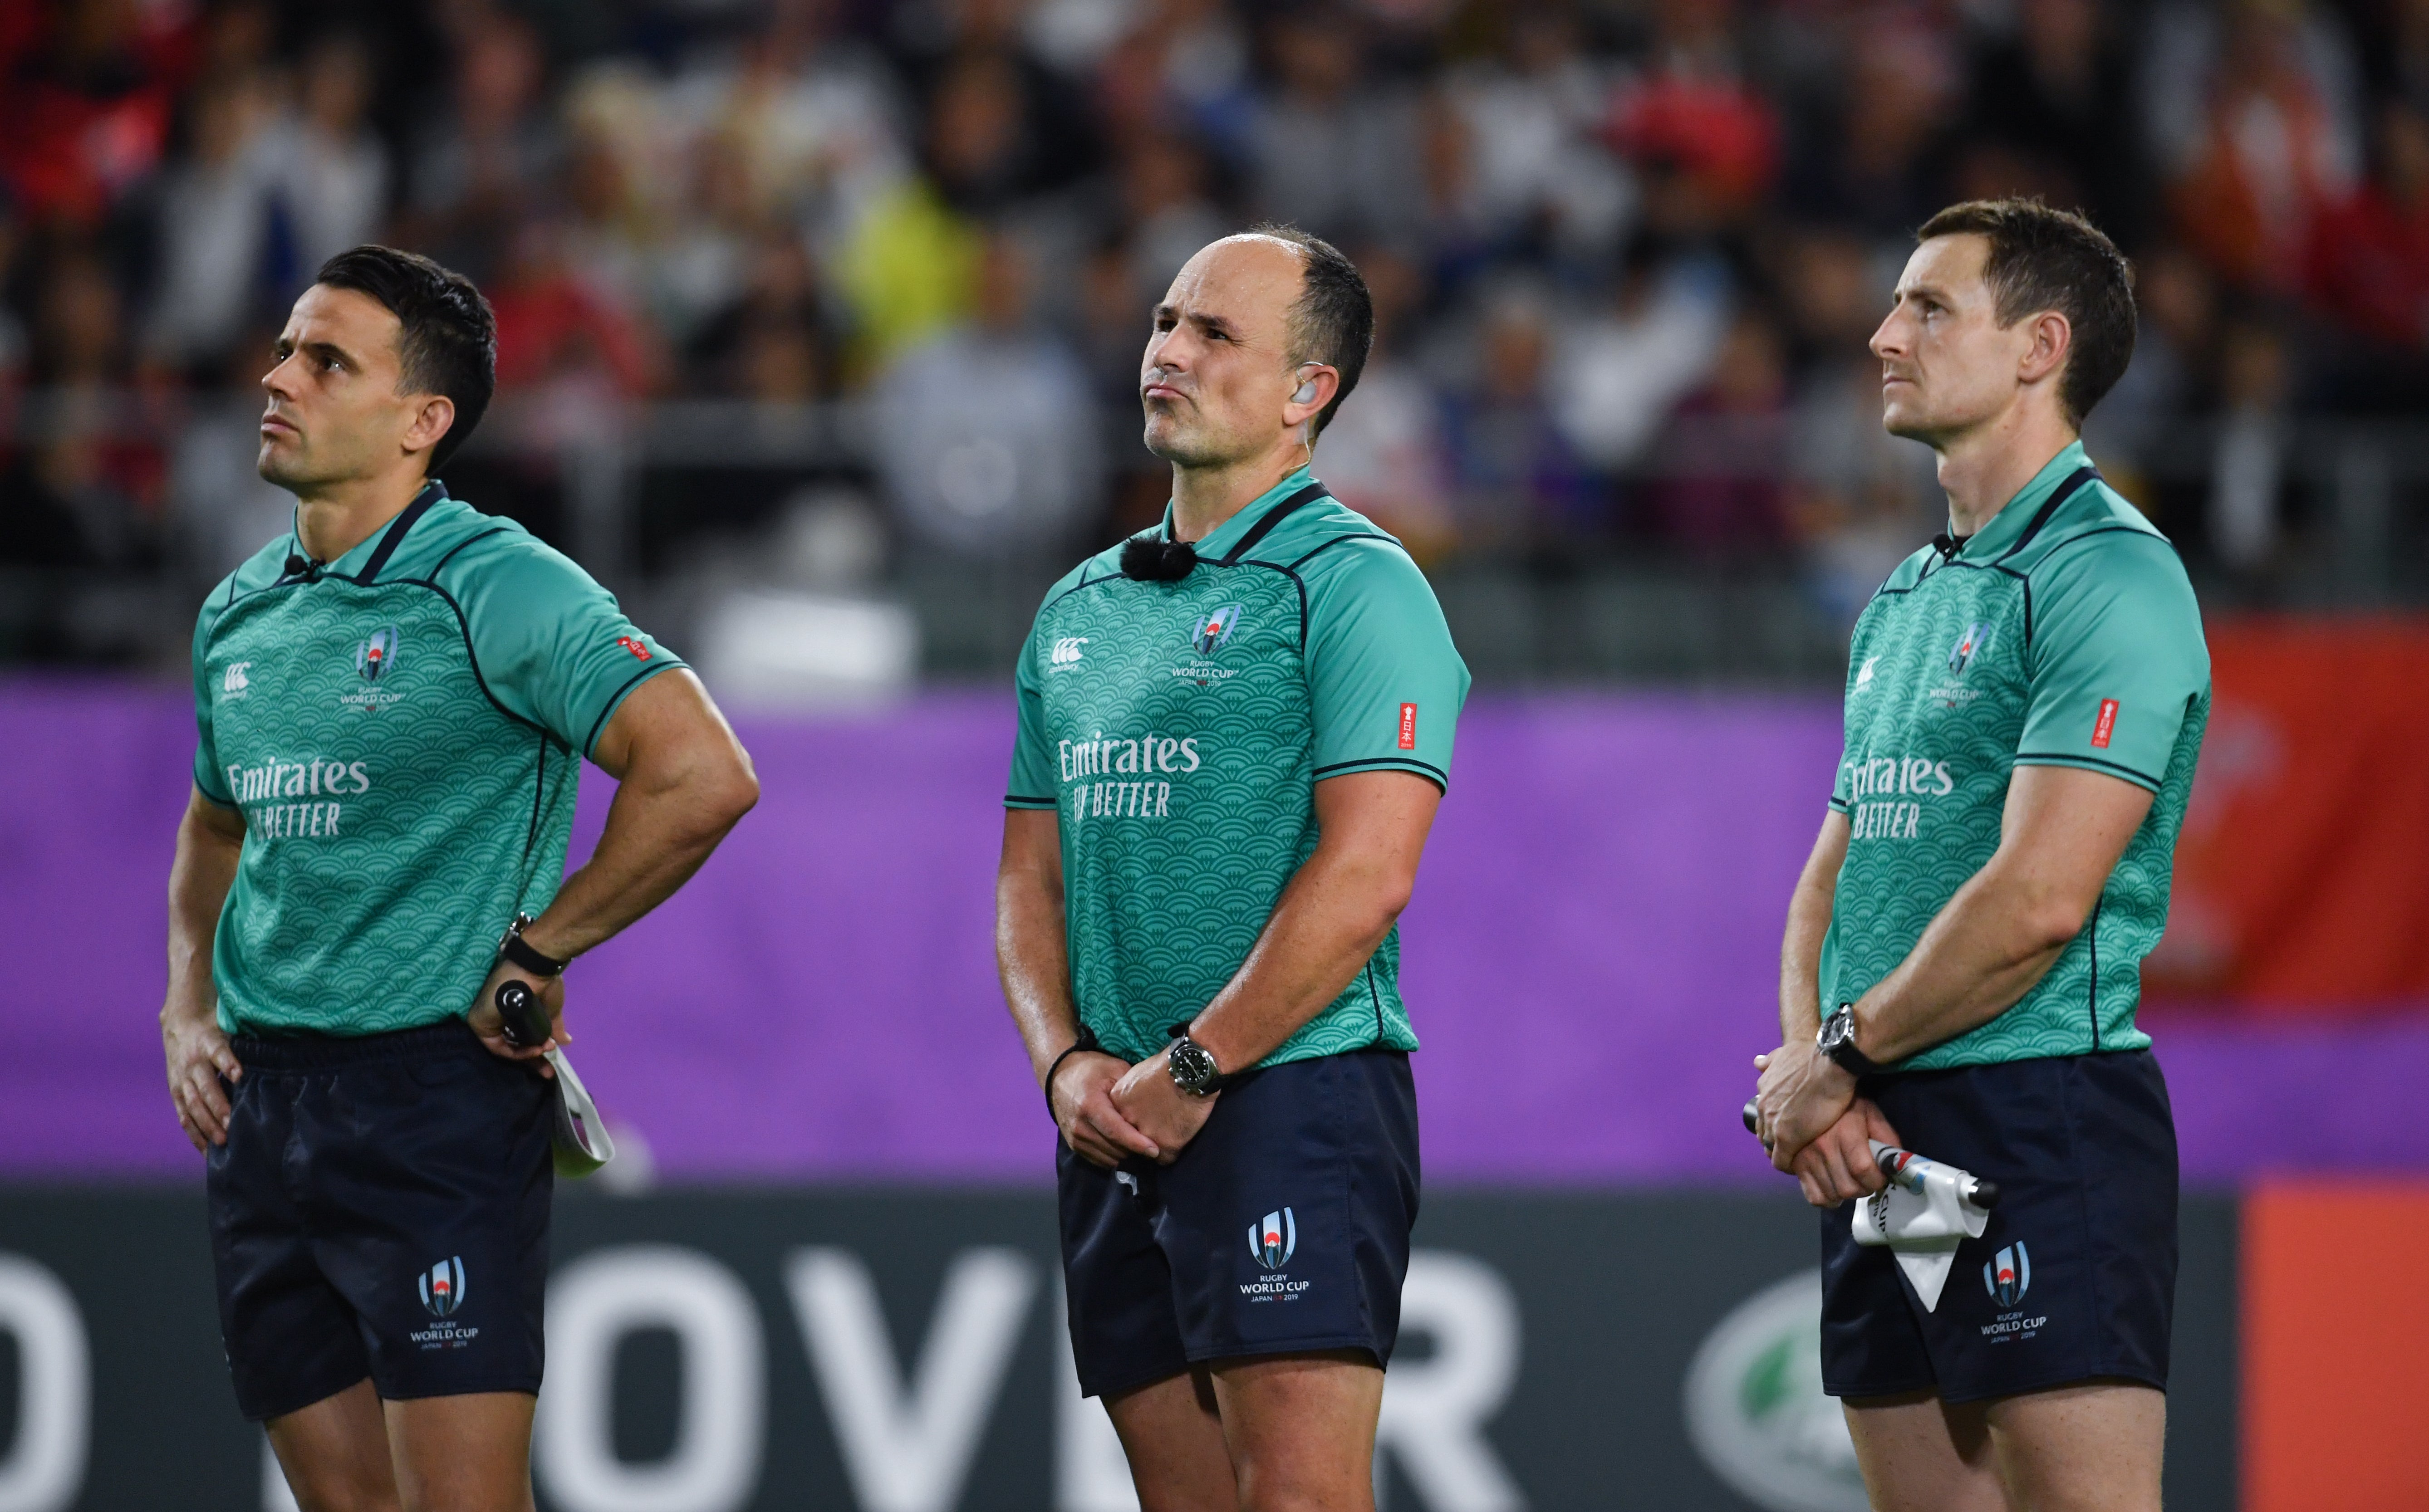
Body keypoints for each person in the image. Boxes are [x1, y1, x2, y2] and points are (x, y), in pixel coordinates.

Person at [161, 246, 759, 1512]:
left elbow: (703, 774)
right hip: (265, 1111)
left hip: (433, 1100)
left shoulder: (500, 584)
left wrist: (543, 949)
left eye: (327, 361)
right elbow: (215, 830)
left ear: (422, 422)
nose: (279, 376)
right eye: (283, 348)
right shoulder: (239, 612)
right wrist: (185, 1006)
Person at [995, 225, 1468, 1512]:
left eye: (1214, 334)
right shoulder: (1077, 606)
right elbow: (1026, 885)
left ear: (1308, 391)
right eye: (1163, 321)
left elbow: (1370, 874)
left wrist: (1198, 1063)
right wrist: (1065, 1063)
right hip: (1112, 1117)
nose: (1168, 351)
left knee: (1299, 1499)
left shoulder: (1360, 587)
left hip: (1288, 1098)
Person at [1751, 199, 2208, 1512]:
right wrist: (1811, 1087)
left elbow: (2037, 901)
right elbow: (1825, 884)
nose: (1885, 333)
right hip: (1877, 1127)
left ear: (2036, 346)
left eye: (1928, 307)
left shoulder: (2110, 576)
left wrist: (1831, 1063)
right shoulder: (1902, 596)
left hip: (2039, 1113)